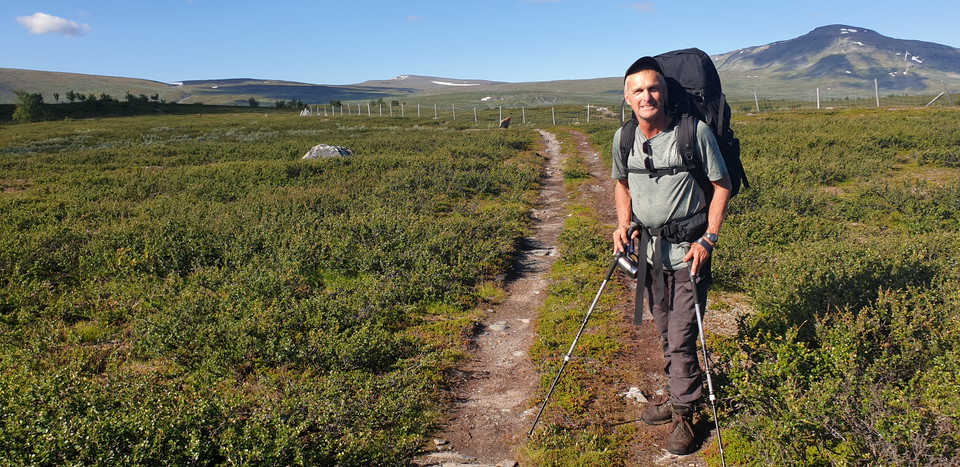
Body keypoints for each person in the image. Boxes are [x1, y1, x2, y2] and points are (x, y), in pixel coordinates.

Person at [611, 56, 732, 456]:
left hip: (688, 256)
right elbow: (622, 183)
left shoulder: (692, 132)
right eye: (639, 90)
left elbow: (721, 186)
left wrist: (708, 239)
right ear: (627, 97)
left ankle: (684, 413)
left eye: (654, 88)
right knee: (665, 331)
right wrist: (623, 223)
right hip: (649, 257)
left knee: (680, 337)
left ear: (665, 92)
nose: (648, 96)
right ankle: (678, 394)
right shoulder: (624, 138)